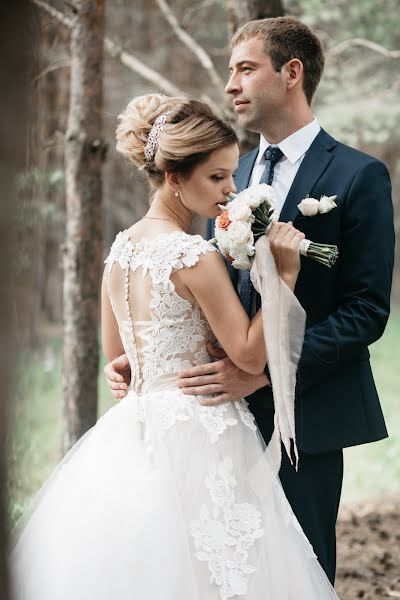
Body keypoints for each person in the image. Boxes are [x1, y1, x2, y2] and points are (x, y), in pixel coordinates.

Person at [11, 93, 340, 599]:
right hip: (200, 431)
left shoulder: (120, 249)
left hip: (134, 430)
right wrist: (285, 275)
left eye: (232, 174)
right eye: (217, 177)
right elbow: (250, 355)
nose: (231, 189)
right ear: (173, 177)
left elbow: (115, 353)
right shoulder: (192, 255)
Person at [104, 17, 395, 584]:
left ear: (291, 73)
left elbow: (367, 310)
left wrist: (267, 375)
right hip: (210, 421)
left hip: (304, 420)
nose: (230, 84)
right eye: (229, 71)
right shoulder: (220, 172)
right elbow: (198, 293)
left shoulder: (359, 176)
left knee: (298, 575)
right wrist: (148, 361)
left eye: (244, 69)